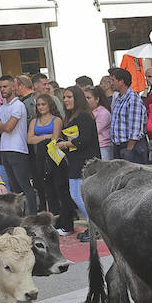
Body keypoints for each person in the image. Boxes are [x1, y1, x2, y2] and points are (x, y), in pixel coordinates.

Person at [59, 85, 100, 239]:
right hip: (76, 160)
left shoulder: (83, 115)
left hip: (85, 162)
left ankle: (95, 226)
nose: (66, 100)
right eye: (64, 97)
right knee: (77, 195)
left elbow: (84, 140)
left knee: (78, 195)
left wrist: (65, 144)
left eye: (69, 97)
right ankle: (93, 226)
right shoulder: (72, 116)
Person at [27, 92, 67, 229]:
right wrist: (45, 137)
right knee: (43, 188)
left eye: (43, 104)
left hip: (54, 156)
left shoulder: (57, 120)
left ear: (50, 105)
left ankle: (60, 218)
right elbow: (29, 139)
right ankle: (49, 218)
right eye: (38, 105)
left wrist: (44, 137)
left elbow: (55, 139)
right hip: (39, 157)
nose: (40, 107)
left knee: (57, 187)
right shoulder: (34, 121)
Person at [0, 75, 36, 209]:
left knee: (25, 185)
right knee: (14, 187)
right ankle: (21, 215)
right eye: (0, 87)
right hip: (5, 149)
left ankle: (32, 215)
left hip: (18, 149)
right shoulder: (2, 107)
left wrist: (1, 125)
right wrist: (2, 126)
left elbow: (8, 127)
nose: (2, 90)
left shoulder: (18, 105)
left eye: (5, 86)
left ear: (13, 87)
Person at [86, 86, 113, 161]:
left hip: (103, 147)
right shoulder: (88, 112)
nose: (85, 101)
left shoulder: (103, 113)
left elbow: (94, 130)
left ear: (97, 99)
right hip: (93, 147)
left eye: (88, 98)